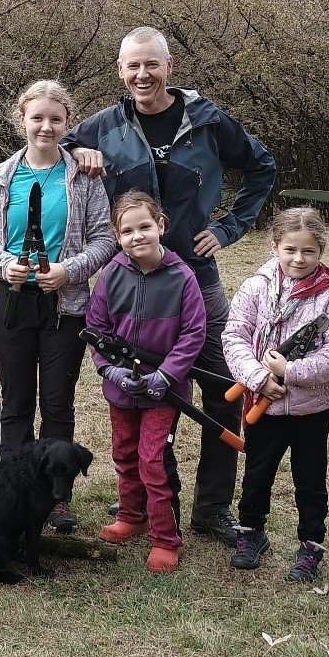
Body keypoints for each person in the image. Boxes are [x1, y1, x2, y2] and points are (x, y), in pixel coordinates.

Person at [66, 25, 276, 547]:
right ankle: (147, 500)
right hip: (128, 284)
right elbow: (53, 151)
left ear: (169, 67)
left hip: (195, 278)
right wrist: (79, 153)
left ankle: (211, 508)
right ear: (120, 71)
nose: (142, 74)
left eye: (151, 64)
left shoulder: (207, 121)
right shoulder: (104, 126)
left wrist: (228, 228)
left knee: (220, 389)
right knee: (138, 390)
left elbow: (261, 167)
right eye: (133, 66)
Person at [0, 80, 117, 533]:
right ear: (22, 121)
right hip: (10, 303)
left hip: (64, 305)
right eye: (37, 118)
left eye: (55, 119)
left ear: (67, 123)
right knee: (15, 403)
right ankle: (13, 493)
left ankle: (57, 499)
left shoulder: (84, 178)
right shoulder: (0, 177)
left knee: (57, 405)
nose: (46, 126)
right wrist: (3, 265)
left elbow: (105, 239)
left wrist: (69, 270)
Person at [224, 207, 329, 583]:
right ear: (275, 247)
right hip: (262, 408)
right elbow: (234, 336)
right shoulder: (255, 287)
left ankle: (311, 545)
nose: (299, 259)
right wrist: (257, 378)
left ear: (321, 251)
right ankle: (251, 534)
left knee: (310, 481)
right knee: (256, 475)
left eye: (309, 251)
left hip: (311, 410)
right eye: (290, 250)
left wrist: (290, 372)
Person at [85, 192, 206, 573]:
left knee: (152, 460)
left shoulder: (182, 276)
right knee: (124, 452)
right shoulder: (111, 274)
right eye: (127, 231)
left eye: (145, 227)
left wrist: (165, 375)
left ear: (161, 227)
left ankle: (166, 538)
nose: (137, 236)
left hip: (164, 392)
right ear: (116, 236)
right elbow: (96, 328)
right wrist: (112, 371)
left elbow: (193, 334)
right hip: (120, 389)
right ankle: (132, 514)